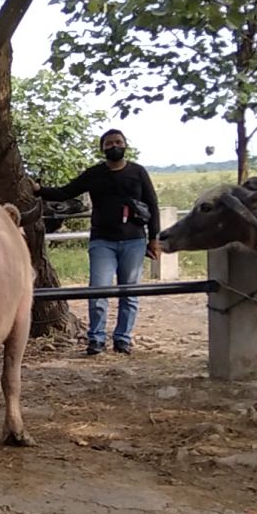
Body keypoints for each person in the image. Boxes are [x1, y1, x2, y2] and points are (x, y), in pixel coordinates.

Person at [33, 128, 161, 355]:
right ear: (102, 148)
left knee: (129, 293)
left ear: (125, 145)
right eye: (109, 143)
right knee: (98, 291)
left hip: (134, 240)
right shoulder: (94, 174)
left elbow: (152, 205)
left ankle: (122, 338)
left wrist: (154, 239)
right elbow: (65, 192)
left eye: (118, 142)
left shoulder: (138, 172)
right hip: (102, 241)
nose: (114, 146)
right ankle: (97, 339)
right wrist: (38, 190)